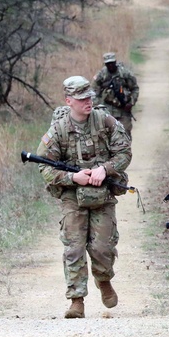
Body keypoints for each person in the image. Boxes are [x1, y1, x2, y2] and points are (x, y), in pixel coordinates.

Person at [36, 76, 132, 319]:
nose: (87, 102)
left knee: (102, 247)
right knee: (74, 247)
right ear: (69, 101)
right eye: (81, 99)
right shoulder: (58, 130)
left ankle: (104, 279)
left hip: (103, 193)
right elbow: (44, 168)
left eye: (89, 97)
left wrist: (106, 169)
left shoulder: (105, 121)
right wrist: (72, 178)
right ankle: (76, 299)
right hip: (72, 196)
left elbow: (124, 152)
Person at [93, 52, 139, 135]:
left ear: (115, 62)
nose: (110, 65)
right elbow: (94, 92)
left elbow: (135, 88)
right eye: (108, 64)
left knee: (125, 134)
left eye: (112, 63)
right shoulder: (101, 75)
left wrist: (131, 103)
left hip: (123, 110)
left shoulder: (124, 73)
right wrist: (98, 108)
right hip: (107, 111)